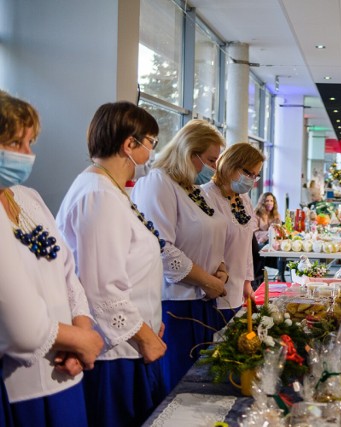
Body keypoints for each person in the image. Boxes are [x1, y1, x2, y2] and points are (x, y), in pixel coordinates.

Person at [56, 102, 168, 427]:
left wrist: (149, 322)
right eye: (151, 142)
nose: (152, 152)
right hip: (115, 355)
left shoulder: (112, 192)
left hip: (132, 343)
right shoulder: (98, 196)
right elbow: (102, 289)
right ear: (128, 144)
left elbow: (131, 267)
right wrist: (144, 336)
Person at [0, 92, 103, 426]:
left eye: (30, 143)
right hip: (19, 386)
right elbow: (22, 329)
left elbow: (67, 271)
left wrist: (80, 334)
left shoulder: (27, 197)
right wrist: (83, 341)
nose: (28, 155)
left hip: (67, 371)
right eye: (16, 143)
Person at [130, 119, 228, 392]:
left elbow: (213, 234)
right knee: (181, 387)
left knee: (205, 383)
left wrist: (221, 270)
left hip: (205, 299)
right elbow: (161, 247)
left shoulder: (194, 189)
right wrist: (208, 281)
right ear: (188, 153)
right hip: (177, 303)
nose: (213, 168)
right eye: (209, 160)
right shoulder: (159, 183)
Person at [201, 142, 265, 321]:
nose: (251, 180)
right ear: (230, 164)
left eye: (255, 176)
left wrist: (247, 281)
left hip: (238, 290)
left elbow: (246, 248)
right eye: (247, 173)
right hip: (214, 289)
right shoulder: (206, 196)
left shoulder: (244, 200)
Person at [252, 192, 284, 284]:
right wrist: (269, 233)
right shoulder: (256, 214)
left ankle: (281, 276)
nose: (269, 203)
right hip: (259, 243)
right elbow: (254, 233)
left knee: (281, 251)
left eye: (271, 201)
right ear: (262, 202)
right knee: (262, 250)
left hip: (273, 243)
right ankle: (258, 279)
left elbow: (278, 231)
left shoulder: (276, 215)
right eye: (267, 201)